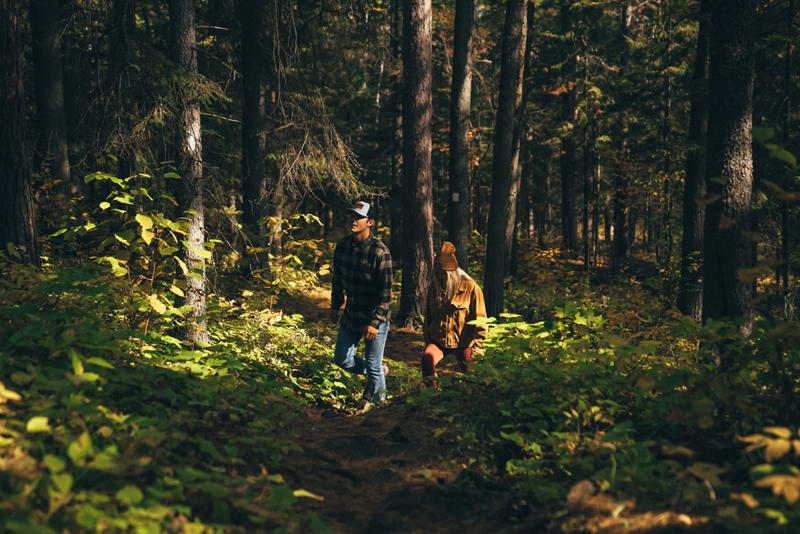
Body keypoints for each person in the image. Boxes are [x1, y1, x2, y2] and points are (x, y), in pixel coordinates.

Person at [330, 200, 393, 402]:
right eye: (352, 216)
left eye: (359, 217)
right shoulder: (343, 246)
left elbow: (385, 293)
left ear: (370, 222)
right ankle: (380, 373)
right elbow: (337, 280)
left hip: (376, 317)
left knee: (373, 364)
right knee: (341, 359)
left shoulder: (380, 252)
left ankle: (380, 404)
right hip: (351, 314)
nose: (353, 220)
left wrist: (374, 323)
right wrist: (335, 306)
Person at [422, 242, 487, 382]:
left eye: (443, 274)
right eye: (437, 273)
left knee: (470, 376)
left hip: (465, 341)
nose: (440, 277)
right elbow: (428, 318)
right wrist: (428, 340)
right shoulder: (434, 287)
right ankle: (431, 397)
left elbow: (481, 322)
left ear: (452, 272)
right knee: (427, 360)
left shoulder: (471, 288)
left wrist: (477, 349)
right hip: (440, 339)